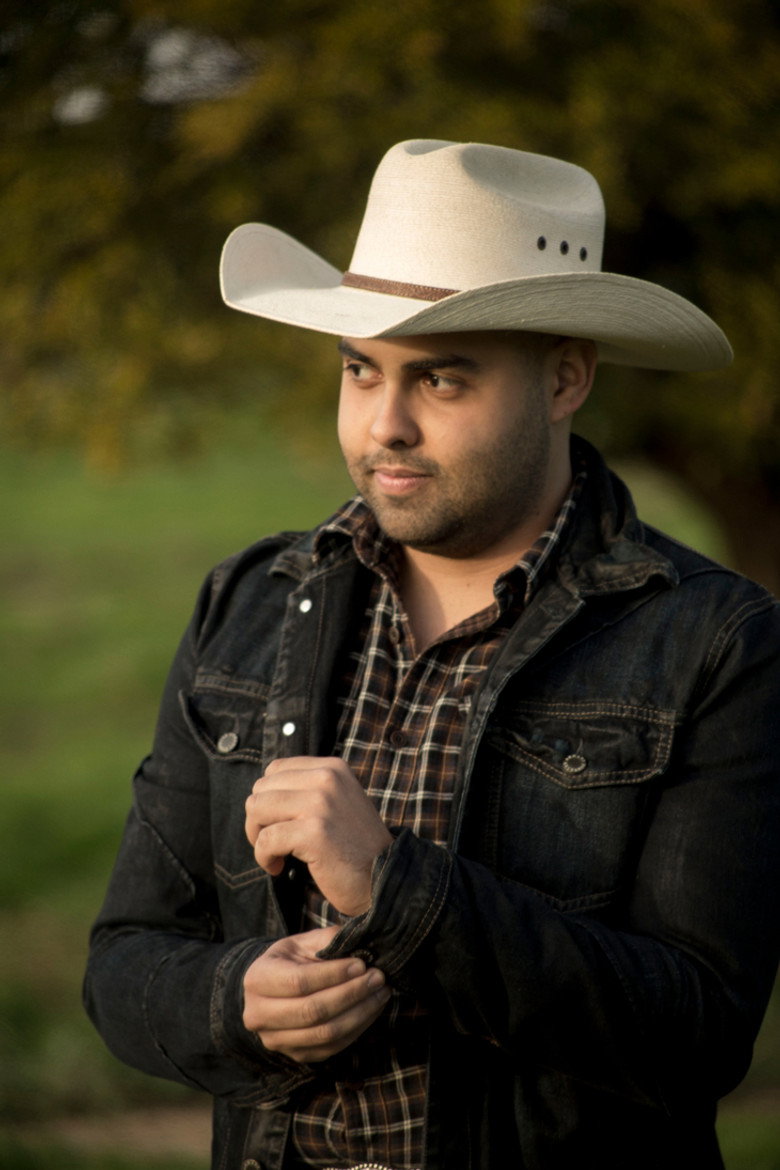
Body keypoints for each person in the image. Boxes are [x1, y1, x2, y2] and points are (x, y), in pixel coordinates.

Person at [84, 140, 780, 1170]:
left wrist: (396, 890)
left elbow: (699, 1034)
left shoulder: (713, 640)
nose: (386, 425)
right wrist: (233, 1004)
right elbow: (124, 961)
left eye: (441, 379)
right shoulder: (250, 603)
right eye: (360, 370)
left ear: (565, 378)